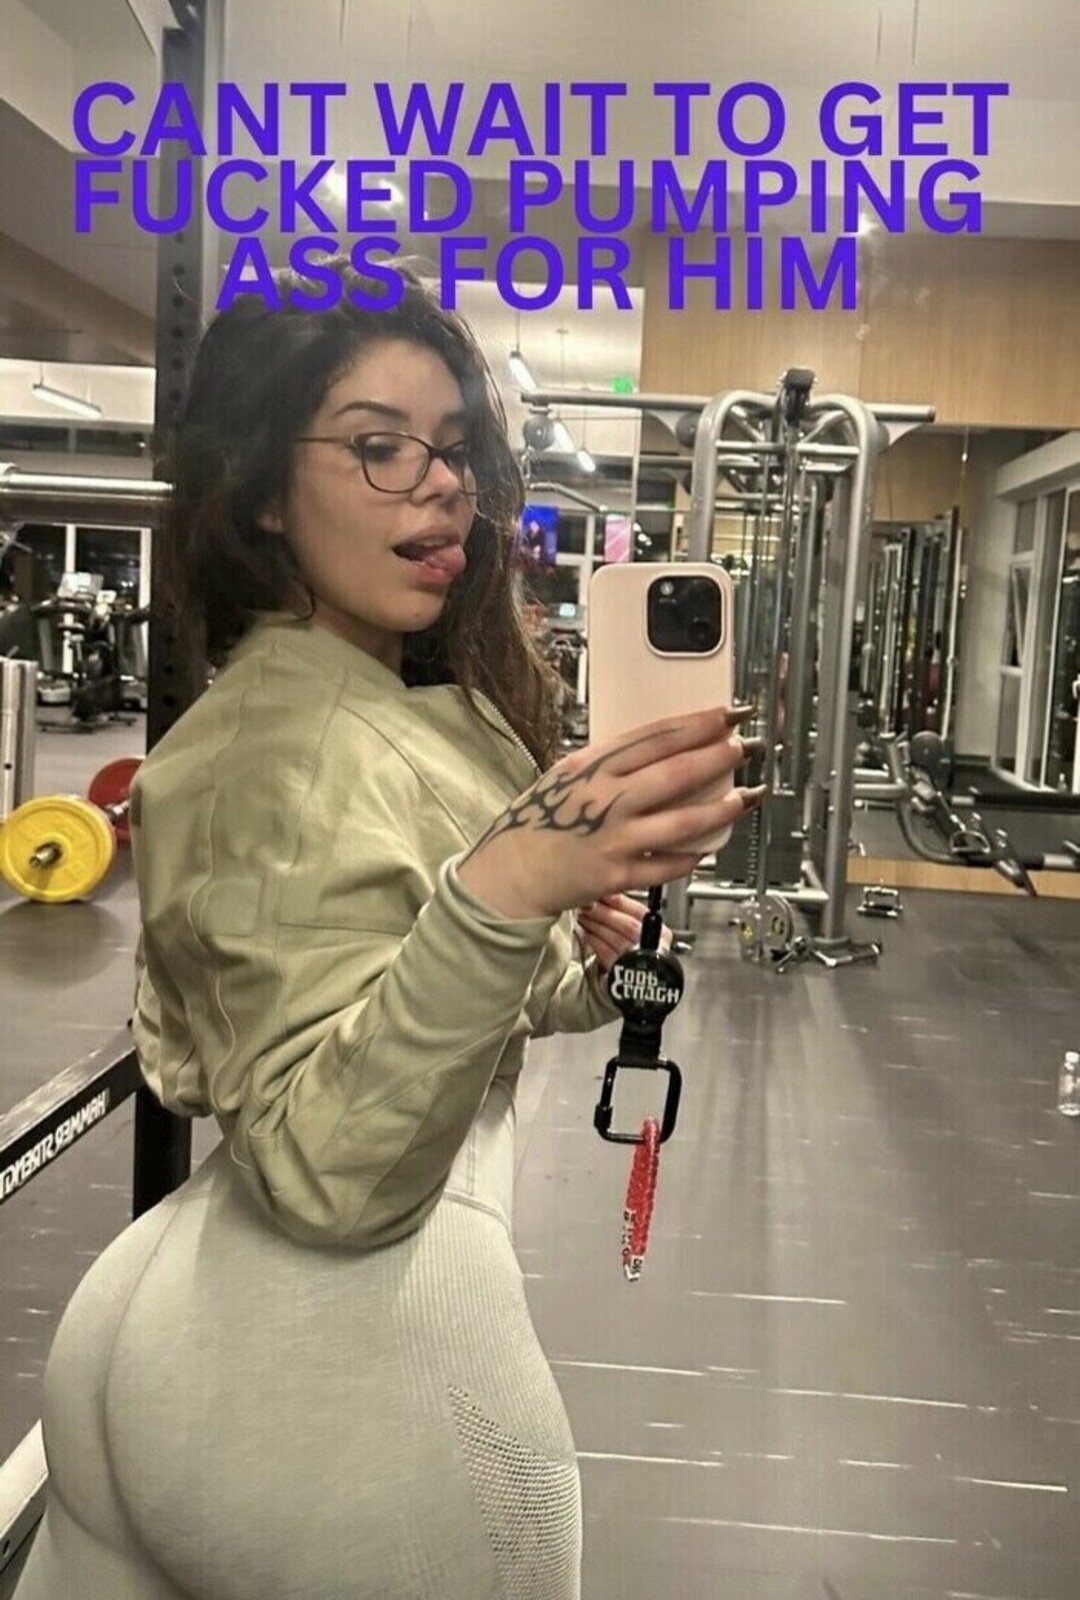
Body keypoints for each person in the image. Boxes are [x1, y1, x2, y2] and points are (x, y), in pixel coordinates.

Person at [13, 257, 763, 1600]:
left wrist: (585, 955)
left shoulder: (417, 703)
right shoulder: (259, 754)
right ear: (261, 487)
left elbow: (440, 986)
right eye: (377, 447)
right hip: (342, 1353)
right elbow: (330, 1173)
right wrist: (508, 890)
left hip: (233, 1313)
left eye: (454, 449)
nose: (442, 486)